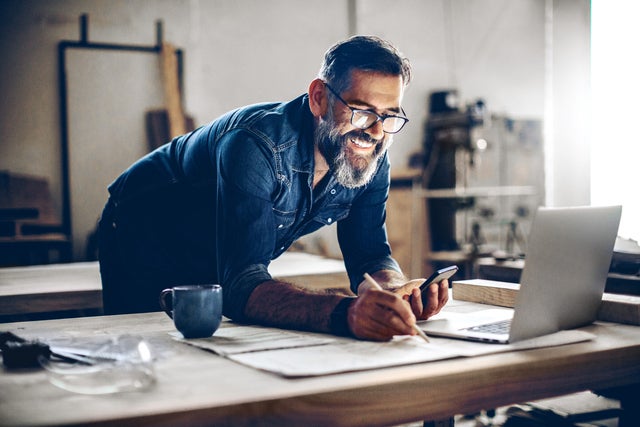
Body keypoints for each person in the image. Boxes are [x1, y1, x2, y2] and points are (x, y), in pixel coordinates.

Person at [98, 35, 449, 341]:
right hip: (143, 227)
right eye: (361, 111)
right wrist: (346, 312)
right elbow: (242, 286)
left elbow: (369, 255)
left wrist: (392, 290)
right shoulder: (255, 145)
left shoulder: (370, 155)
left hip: (219, 250)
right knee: (143, 352)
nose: (375, 131)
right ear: (318, 98)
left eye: (389, 116)